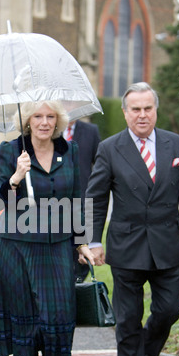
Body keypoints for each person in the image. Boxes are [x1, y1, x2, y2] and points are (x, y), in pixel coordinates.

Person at [0, 101, 94, 356]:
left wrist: (82, 241)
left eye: (50, 117)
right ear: (28, 121)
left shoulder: (70, 151)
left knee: (56, 317)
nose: (45, 122)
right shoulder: (10, 151)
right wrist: (17, 177)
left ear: (58, 121)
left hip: (57, 248)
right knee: (25, 320)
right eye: (38, 116)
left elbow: (79, 195)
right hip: (17, 248)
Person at [85, 82, 179, 356]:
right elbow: (96, 197)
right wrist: (92, 240)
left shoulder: (175, 144)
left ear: (155, 110)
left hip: (167, 244)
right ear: (125, 112)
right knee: (128, 317)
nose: (142, 115)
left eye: (148, 108)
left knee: (171, 307)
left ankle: (147, 352)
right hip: (126, 246)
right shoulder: (109, 148)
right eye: (136, 109)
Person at [64, 120, 100, 280]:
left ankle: (78, 282)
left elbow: (99, 164)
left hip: (83, 198)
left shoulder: (91, 130)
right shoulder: (50, 129)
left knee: (81, 247)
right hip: (56, 201)